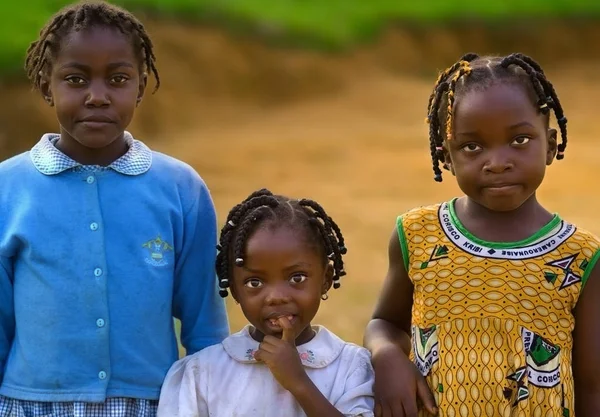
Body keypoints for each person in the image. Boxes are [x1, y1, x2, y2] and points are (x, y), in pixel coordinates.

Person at [0, 1, 228, 415]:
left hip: (153, 403)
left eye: (119, 79)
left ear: (141, 86)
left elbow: (204, 324)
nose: (98, 97)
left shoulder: (181, 189)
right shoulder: (8, 189)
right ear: (47, 85)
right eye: (75, 79)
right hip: (31, 404)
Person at [363, 53, 600, 417]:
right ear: (447, 158)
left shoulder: (580, 256)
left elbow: (591, 384)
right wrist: (387, 356)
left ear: (550, 144)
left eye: (519, 140)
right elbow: (385, 323)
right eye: (472, 147)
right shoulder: (418, 235)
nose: (497, 161)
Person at [158, 189, 375, 417]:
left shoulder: (350, 367)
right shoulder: (204, 372)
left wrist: (299, 383)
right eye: (254, 282)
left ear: (326, 280)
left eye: (296, 278)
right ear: (234, 290)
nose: (276, 297)